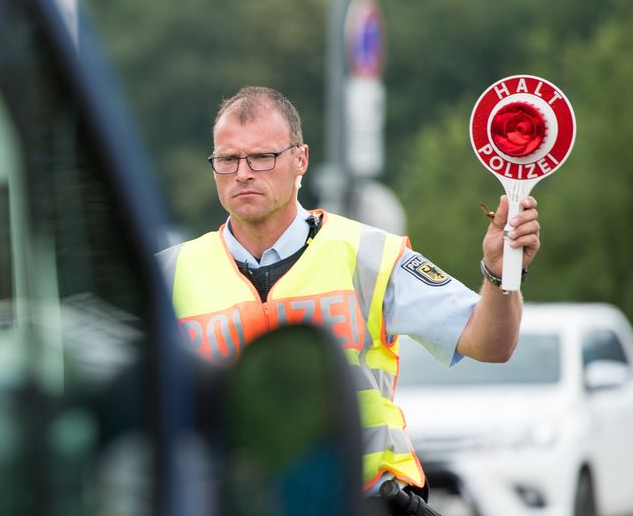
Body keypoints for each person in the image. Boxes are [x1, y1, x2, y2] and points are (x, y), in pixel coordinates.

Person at [156, 86, 540, 512]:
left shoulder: (370, 253)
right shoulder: (169, 273)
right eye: (228, 159)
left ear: (300, 159)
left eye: (262, 157)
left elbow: (490, 343)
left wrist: (501, 273)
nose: (243, 173)